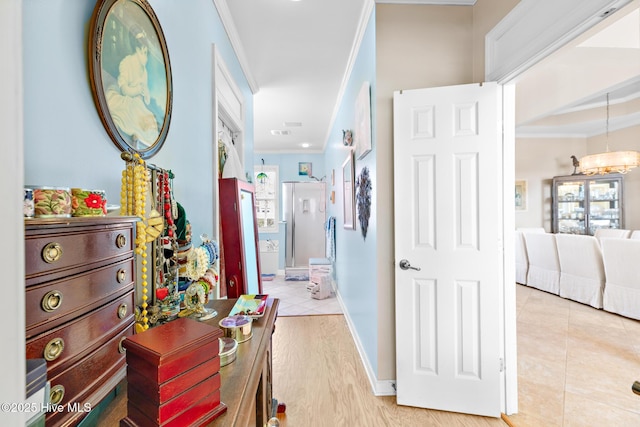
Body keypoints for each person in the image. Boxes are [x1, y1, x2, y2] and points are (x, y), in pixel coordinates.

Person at [106, 28, 160, 148]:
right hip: (129, 100)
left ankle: (140, 142)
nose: (145, 58)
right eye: (143, 53)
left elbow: (147, 98)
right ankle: (134, 137)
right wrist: (137, 90)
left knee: (150, 119)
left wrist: (145, 93)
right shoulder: (127, 63)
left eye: (147, 53)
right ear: (137, 50)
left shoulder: (144, 71)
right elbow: (124, 88)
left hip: (139, 103)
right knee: (133, 110)